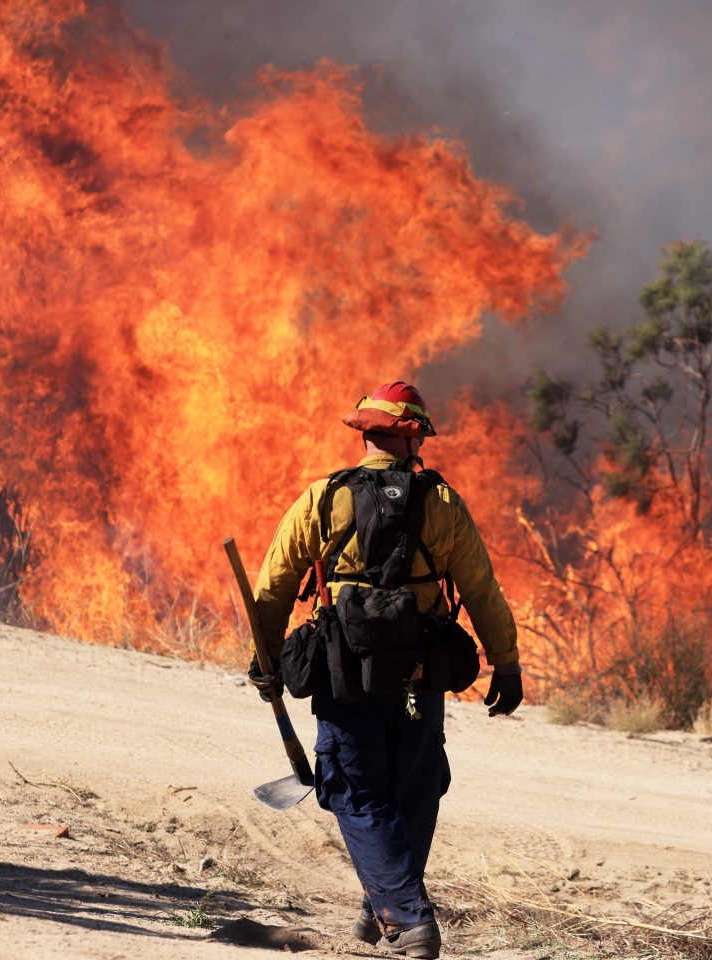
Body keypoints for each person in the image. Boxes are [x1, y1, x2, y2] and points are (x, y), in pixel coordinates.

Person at [250, 381, 522, 960]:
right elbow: (480, 588)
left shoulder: (323, 497)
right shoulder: (443, 502)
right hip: (417, 682)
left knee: (355, 785)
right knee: (415, 785)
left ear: (365, 434)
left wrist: (265, 657)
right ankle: (387, 898)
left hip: (345, 675)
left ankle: (405, 917)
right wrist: (506, 660)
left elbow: (273, 585)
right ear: (414, 437)